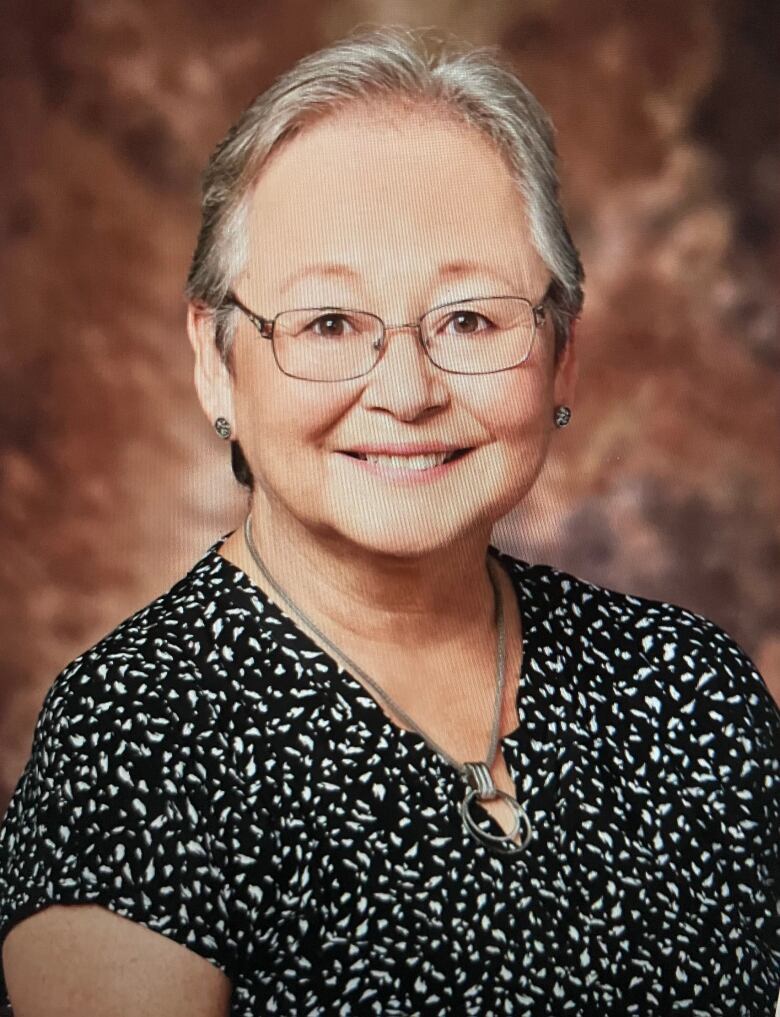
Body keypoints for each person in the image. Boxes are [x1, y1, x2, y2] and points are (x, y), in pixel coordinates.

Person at [1, 24, 778, 1017]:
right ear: (214, 359)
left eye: (470, 319)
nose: (406, 392)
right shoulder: (135, 742)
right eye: (329, 324)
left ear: (563, 355)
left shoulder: (690, 689)